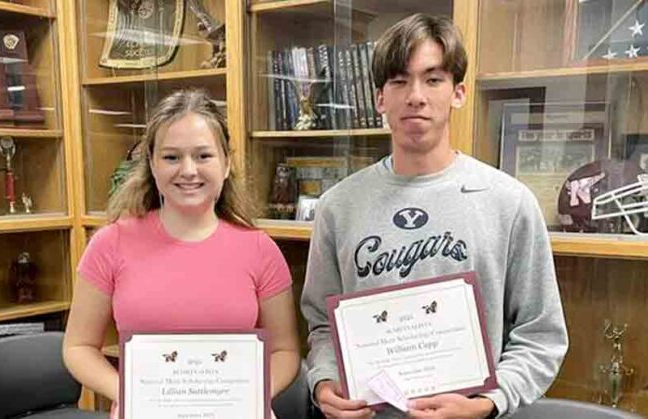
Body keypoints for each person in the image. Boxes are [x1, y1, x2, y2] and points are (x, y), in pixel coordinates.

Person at [301, 14, 568, 419]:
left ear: (458, 93)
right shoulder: (339, 206)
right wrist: (323, 380)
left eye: (433, 79)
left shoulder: (509, 202)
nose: (415, 96)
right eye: (399, 81)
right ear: (379, 99)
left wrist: (486, 402)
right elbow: (323, 324)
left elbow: (541, 335)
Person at [63, 89, 301, 418]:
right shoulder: (110, 243)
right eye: (172, 157)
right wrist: (132, 394)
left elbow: (286, 351)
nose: (188, 170)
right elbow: (78, 347)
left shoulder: (260, 250)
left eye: (203, 156)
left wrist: (250, 397)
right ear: (151, 164)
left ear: (227, 163)